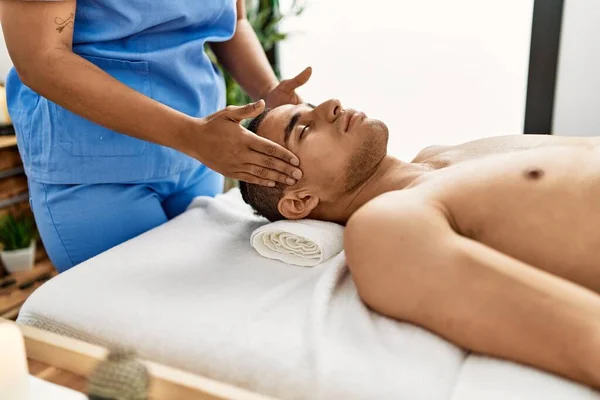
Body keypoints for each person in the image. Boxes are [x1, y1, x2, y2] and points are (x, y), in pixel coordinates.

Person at [239, 99, 600, 389]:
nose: (331, 105)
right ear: (300, 201)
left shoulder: (441, 154)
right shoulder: (385, 225)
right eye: (303, 129)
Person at [0, 0, 309, 272]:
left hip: (197, 157)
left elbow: (232, 21)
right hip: (95, 167)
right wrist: (193, 136)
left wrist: (269, 92)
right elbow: (42, 59)